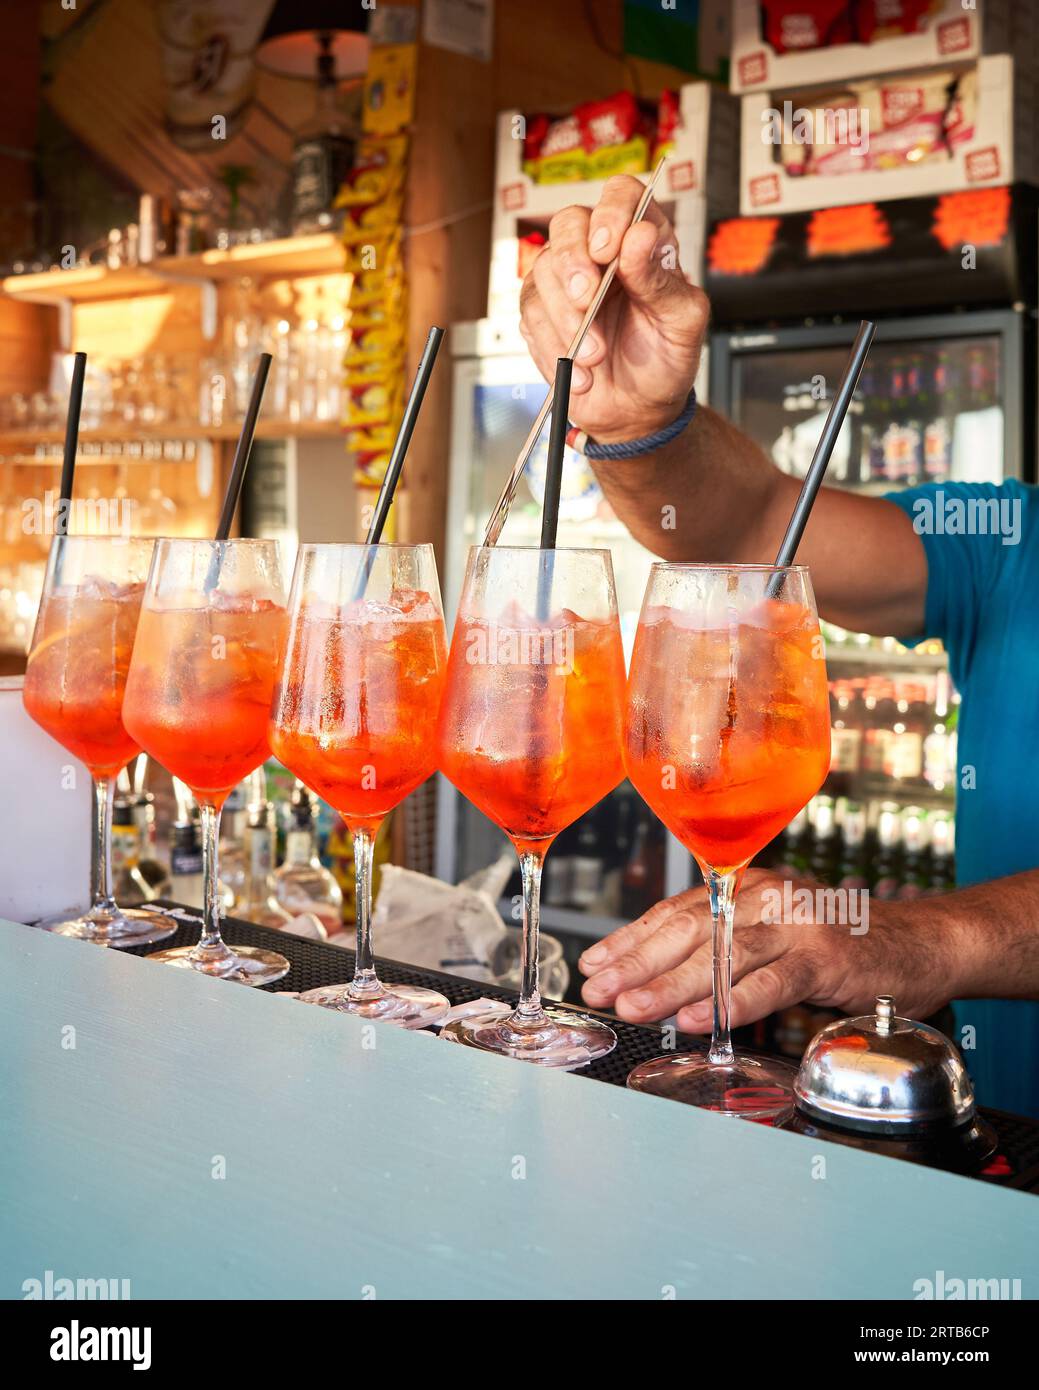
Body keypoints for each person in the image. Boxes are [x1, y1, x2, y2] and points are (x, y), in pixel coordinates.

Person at [519, 175, 1039, 1117]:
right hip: (987, 1145)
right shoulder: (1009, 543)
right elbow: (753, 523)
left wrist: (937, 939)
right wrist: (639, 421)